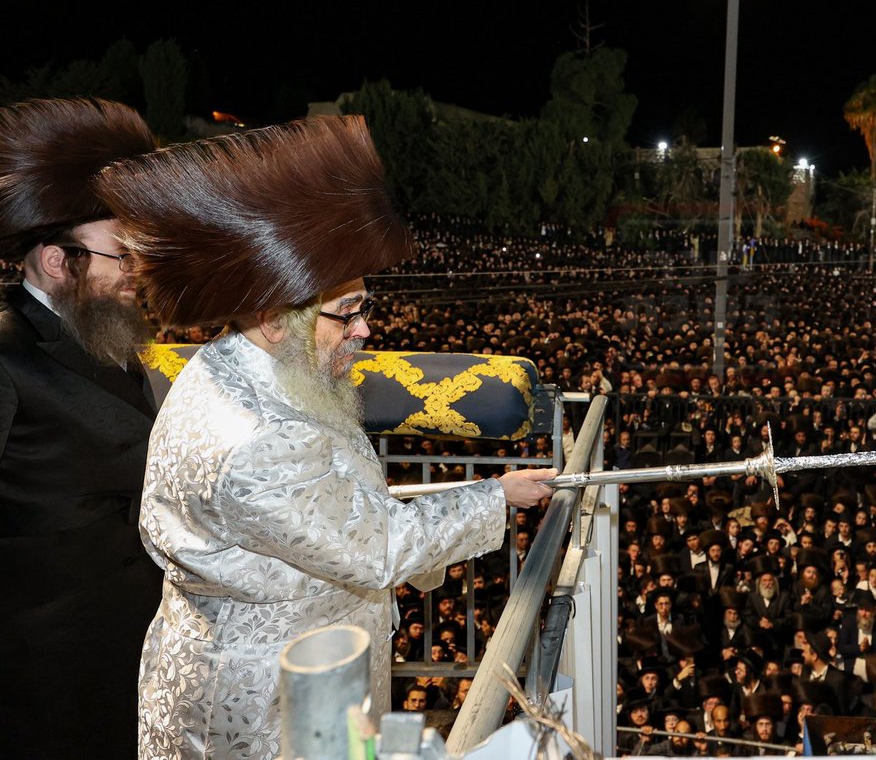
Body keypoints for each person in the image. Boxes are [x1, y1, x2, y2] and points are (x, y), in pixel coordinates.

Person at [97, 116, 556, 759]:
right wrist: (496, 497)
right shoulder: (254, 439)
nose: (365, 330)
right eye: (347, 313)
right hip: (267, 710)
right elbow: (379, 547)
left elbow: (332, 498)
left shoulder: (248, 363)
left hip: (294, 672)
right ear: (272, 318)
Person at [0, 98, 160, 758]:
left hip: (123, 652)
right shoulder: (6, 355)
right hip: (38, 680)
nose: (137, 274)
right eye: (121, 256)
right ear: (58, 260)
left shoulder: (107, 339)